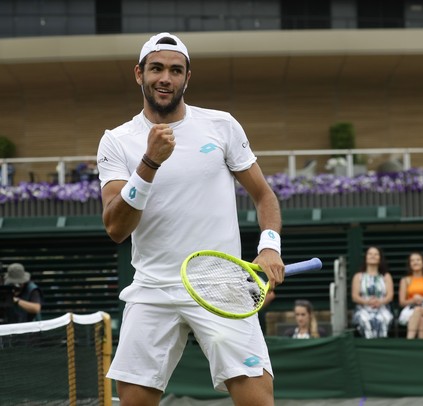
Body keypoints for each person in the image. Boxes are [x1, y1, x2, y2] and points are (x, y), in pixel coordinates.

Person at [96, 33, 285, 406]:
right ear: (139, 74)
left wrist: (269, 247)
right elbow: (116, 228)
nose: (165, 78)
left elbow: (265, 196)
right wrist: (149, 163)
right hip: (153, 287)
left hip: (222, 283)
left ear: (187, 77)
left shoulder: (222, 125)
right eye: (157, 69)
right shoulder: (117, 141)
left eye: (175, 70)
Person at [351, 246, 394, 338]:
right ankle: (368, 345)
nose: (372, 256)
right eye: (370, 254)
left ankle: (380, 345)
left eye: (376, 254)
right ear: (366, 257)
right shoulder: (358, 276)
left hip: (382, 307)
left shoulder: (386, 276)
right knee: (365, 319)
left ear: (380, 258)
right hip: (363, 308)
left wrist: (380, 302)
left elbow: (390, 295)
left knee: (384, 319)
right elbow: (355, 296)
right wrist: (367, 302)